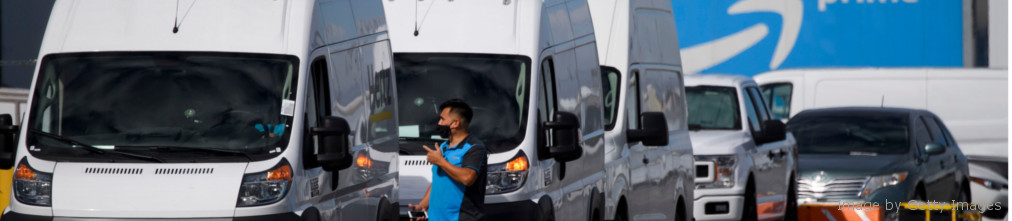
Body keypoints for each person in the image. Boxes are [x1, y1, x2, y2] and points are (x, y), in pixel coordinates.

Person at [408, 99, 487, 221]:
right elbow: (438, 182)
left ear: (455, 123)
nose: (439, 123)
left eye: (442, 119)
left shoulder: (475, 148)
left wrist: (440, 161)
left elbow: (468, 178)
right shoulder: (443, 146)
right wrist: (422, 206)